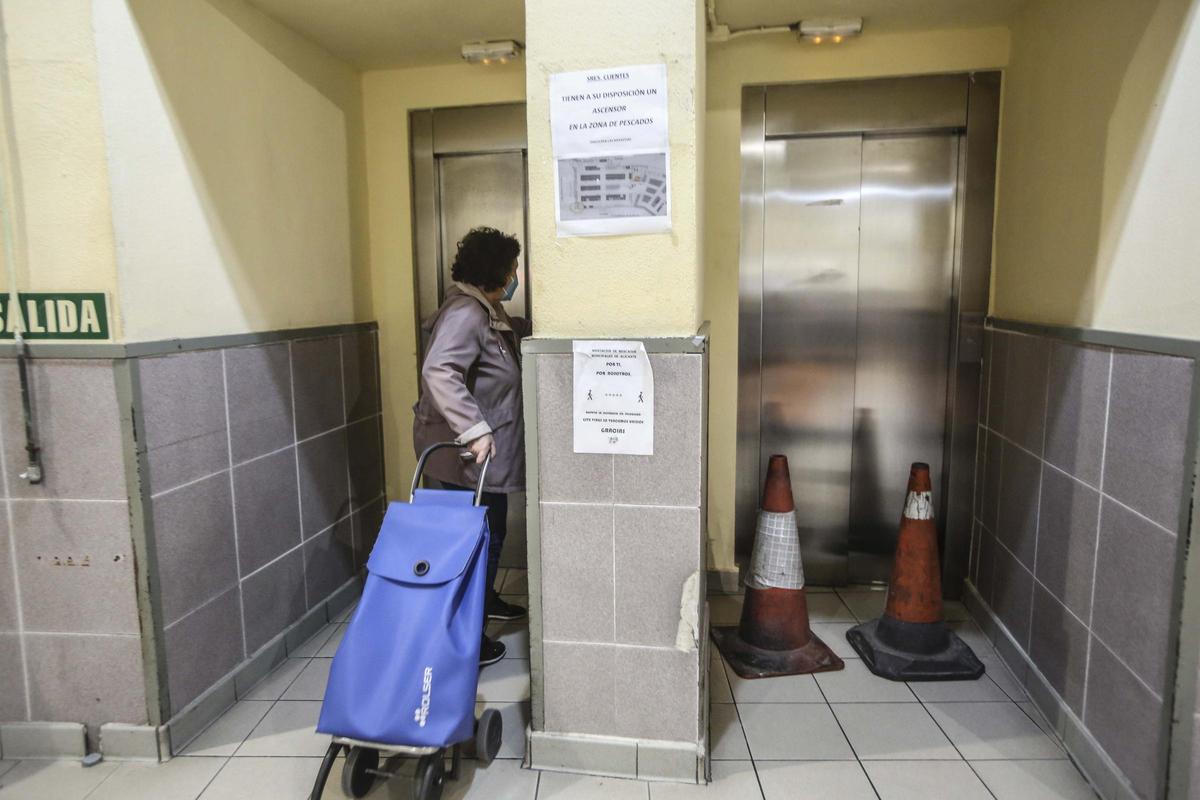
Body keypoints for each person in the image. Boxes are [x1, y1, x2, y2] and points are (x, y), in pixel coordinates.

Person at [412, 226, 529, 667]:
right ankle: (468, 641)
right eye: (513, 268)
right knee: (484, 539)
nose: (517, 275)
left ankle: (486, 602)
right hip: (467, 458)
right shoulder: (467, 313)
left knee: (486, 535)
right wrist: (475, 429)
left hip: (477, 463)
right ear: (497, 272)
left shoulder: (485, 311)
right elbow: (439, 370)